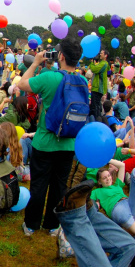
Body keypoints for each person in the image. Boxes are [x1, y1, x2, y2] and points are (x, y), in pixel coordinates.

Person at [17, 37, 84, 236]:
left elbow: (22, 84)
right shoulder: (82, 82)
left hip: (45, 141)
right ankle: (53, 225)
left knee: (39, 185)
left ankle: (31, 225)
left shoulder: (49, 77)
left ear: (60, 56)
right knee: (59, 186)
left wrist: (36, 63)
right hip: (69, 143)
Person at [89, 50, 109, 120]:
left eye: (101, 53)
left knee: (95, 107)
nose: (100, 54)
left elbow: (95, 69)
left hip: (98, 88)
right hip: (96, 88)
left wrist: (91, 63)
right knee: (95, 106)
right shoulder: (102, 63)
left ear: (105, 55)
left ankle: (97, 121)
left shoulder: (104, 64)